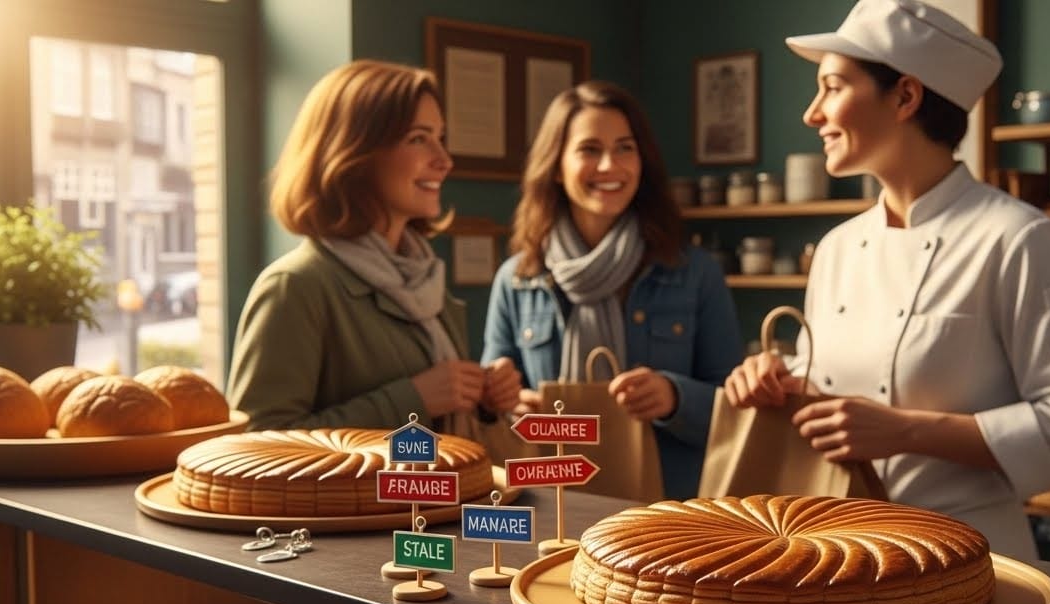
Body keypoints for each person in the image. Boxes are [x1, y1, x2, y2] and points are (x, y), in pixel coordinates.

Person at [723, 0, 1050, 559]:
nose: (812, 114)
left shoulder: (1020, 240)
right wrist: (780, 378)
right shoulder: (837, 249)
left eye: (832, 87)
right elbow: (844, 386)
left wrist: (906, 431)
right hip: (841, 550)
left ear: (906, 97)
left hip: (971, 556)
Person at [481, 80, 743, 500]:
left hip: (666, 513)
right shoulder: (516, 279)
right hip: (550, 507)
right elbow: (491, 402)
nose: (610, 166)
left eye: (625, 148)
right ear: (555, 165)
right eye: (589, 149)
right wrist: (510, 404)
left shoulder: (693, 272)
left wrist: (675, 397)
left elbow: (738, 410)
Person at [227, 60, 520, 434]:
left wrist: (483, 401)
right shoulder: (294, 287)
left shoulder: (425, 282)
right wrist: (413, 399)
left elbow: (430, 437)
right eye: (418, 138)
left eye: (440, 137)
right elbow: (260, 446)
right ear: (354, 153)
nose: (444, 160)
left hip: (439, 495)